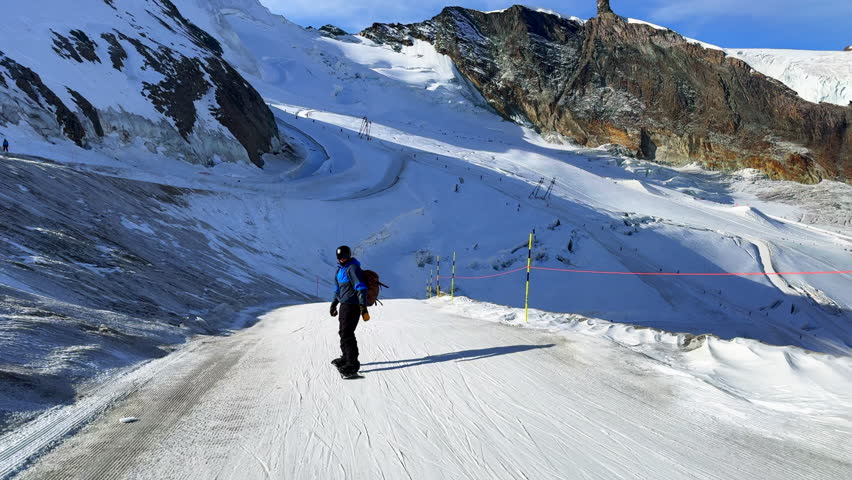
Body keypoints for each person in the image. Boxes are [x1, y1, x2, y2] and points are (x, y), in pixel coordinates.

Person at [329, 245, 368, 376]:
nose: (341, 259)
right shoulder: (339, 271)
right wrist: (334, 304)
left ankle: (352, 364)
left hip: (353, 305)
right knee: (343, 332)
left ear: (349, 255)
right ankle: (346, 357)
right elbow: (337, 290)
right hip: (344, 305)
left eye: (344, 256)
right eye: (339, 256)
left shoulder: (353, 268)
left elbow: (361, 287)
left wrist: (363, 307)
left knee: (347, 333)